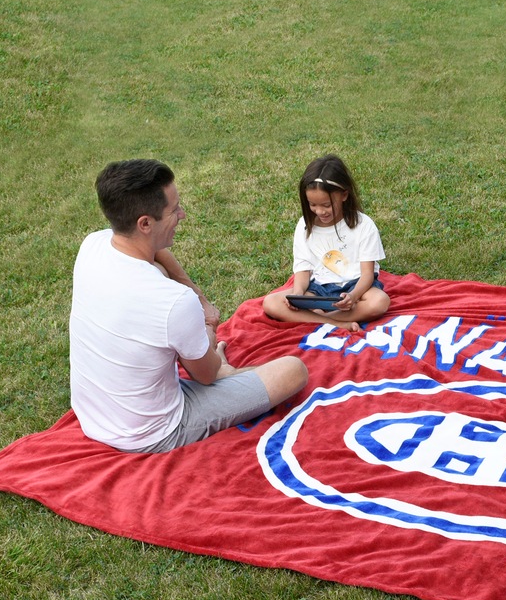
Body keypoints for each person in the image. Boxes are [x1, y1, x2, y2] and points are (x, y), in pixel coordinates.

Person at [70, 159, 308, 454]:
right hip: (154, 432)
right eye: (174, 210)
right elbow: (206, 375)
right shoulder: (173, 302)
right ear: (145, 223)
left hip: (94, 415)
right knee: (293, 370)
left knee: (159, 269)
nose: (182, 215)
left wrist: (199, 298)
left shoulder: (93, 245)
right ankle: (231, 373)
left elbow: (157, 252)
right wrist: (208, 327)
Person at [262, 154, 390, 331]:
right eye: (312, 205)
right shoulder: (304, 225)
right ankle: (338, 323)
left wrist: (353, 297)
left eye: (326, 205)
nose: (319, 211)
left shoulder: (363, 225)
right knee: (271, 302)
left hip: (356, 288)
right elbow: (303, 269)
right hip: (319, 290)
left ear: (344, 195)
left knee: (380, 301)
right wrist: (298, 295)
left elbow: (367, 274)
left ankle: (318, 319)